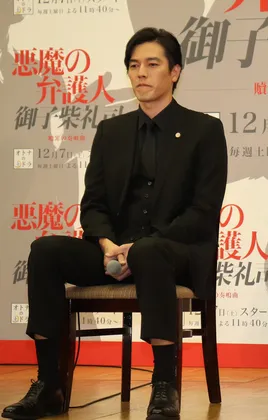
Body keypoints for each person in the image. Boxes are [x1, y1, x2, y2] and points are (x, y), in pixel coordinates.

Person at [2, 27, 228, 420]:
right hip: (115, 253)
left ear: (175, 72)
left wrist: (140, 248)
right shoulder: (112, 132)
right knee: (46, 250)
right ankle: (49, 384)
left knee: (151, 251)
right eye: (134, 65)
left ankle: (164, 385)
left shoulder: (204, 131)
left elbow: (202, 211)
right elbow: (93, 204)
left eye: (152, 64)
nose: (141, 73)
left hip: (175, 253)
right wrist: (107, 244)